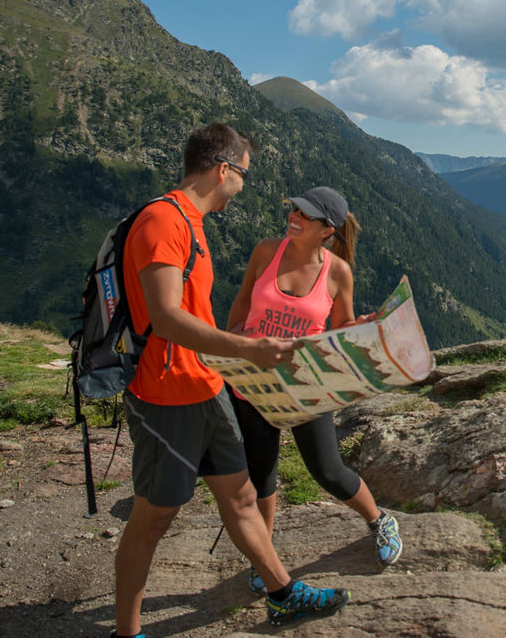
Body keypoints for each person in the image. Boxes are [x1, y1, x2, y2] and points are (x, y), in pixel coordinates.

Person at [111, 124, 349, 638]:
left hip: (205, 384)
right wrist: (248, 348)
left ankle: (283, 596)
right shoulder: (162, 221)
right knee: (153, 517)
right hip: (166, 393)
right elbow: (167, 317)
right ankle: (127, 633)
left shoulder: (191, 223)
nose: (242, 185)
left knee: (241, 498)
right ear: (224, 170)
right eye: (243, 174)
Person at [225, 185, 403, 591]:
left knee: (328, 471)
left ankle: (380, 520)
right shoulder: (266, 251)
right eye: (296, 210)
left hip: (305, 383)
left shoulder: (337, 272)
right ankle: (263, 556)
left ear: (327, 230)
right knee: (261, 473)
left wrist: (358, 328)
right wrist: (230, 342)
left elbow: (336, 331)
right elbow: (241, 303)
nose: (296, 217)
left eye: (306, 215)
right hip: (255, 380)